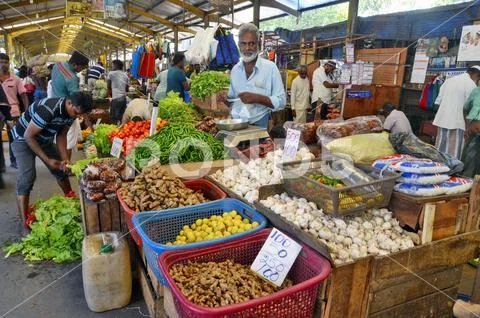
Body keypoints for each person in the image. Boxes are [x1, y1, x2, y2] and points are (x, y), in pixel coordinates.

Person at [11, 92, 93, 234]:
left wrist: (65, 159)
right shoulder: (48, 109)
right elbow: (28, 136)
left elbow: (61, 135)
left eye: (79, 114)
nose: (76, 116)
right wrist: (47, 160)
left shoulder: (71, 114)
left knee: (62, 169)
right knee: (27, 177)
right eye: (75, 112)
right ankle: (24, 223)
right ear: (69, 102)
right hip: (22, 140)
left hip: (43, 139)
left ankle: (71, 202)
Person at [228, 23, 286, 128]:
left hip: (260, 123)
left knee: (257, 145)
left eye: (251, 44)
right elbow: (232, 100)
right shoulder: (235, 70)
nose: (247, 48)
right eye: (243, 44)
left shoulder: (270, 68)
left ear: (258, 44)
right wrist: (224, 99)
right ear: (239, 45)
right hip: (236, 124)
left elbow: (281, 101)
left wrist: (257, 98)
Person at [433, 66, 480, 159]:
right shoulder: (471, 84)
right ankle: (452, 171)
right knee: (454, 152)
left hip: (442, 120)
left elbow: (438, 102)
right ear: (476, 75)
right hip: (458, 123)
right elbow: (469, 108)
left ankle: (437, 169)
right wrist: (468, 126)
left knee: (440, 150)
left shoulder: (449, 81)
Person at [51, 51, 90, 161]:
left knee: (59, 136)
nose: (81, 70)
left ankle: (61, 162)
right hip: (66, 110)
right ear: (74, 65)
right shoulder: (72, 78)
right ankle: (66, 166)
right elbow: (78, 102)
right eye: (81, 68)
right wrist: (87, 120)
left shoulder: (58, 65)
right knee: (68, 139)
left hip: (54, 104)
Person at [0, 53, 30, 169]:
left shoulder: (16, 79)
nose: (3, 64)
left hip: (13, 112)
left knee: (13, 137)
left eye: (6, 62)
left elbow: (23, 96)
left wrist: (27, 110)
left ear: (9, 63)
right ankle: (1, 164)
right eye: (1, 62)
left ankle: (14, 160)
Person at [461, 87, 480, 177]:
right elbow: (465, 109)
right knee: (468, 165)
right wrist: (467, 126)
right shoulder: (476, 91)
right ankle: (468, 187)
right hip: (474, 133)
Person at [107, 59, 129, 124]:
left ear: (116, 65)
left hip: (116, 98)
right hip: (124, 98)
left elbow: (108, 86)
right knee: (122, 117)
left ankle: (114, 131)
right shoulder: (125, 75)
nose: (112, 67)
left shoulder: (111, 73)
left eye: (112, 65)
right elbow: (127, 89)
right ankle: (122, 131)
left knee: (113, 118)